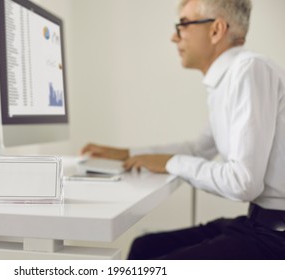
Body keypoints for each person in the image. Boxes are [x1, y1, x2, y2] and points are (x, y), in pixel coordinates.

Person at [81, 0, 285, 259]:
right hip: (260, 223)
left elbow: (243, 183)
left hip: (275, 236)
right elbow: (199, 149)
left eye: (184, 24)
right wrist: (126, 153)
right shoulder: (228, 80)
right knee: (145, 247)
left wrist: (170, 163)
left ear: (216, 30)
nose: (174, 36)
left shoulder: (249, 70)